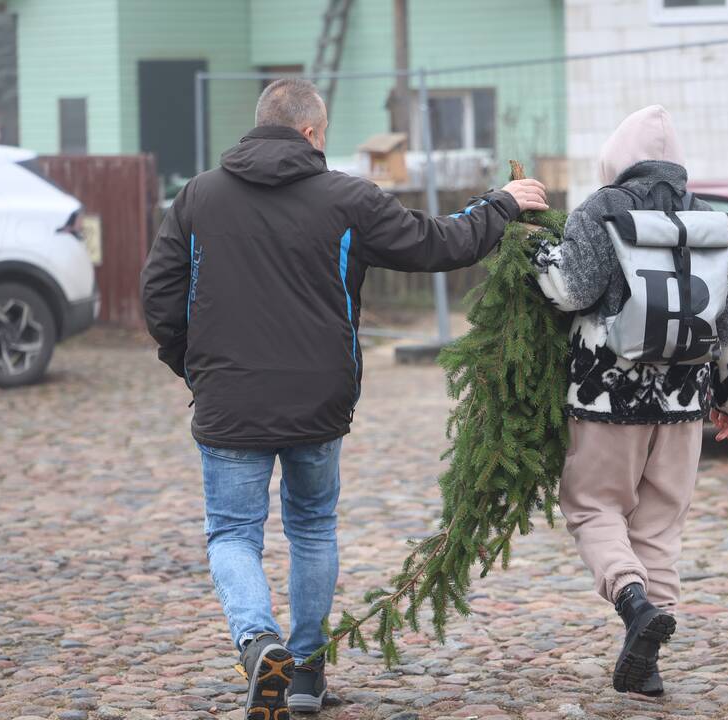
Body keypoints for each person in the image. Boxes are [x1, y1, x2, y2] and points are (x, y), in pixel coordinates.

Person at [140, 78, 547, 718]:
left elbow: (159, 299)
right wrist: (500, 204)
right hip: (319, 400)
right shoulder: (347, 198)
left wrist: (194, 368)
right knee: (310, 528)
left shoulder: (199, 197)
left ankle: (256, 642)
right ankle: (304, 675)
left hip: (228, 399)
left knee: (233, 535)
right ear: (310, 133)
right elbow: (442, 243)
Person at [532, 105, 728, 696]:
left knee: (593, 508)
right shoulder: (708, 219)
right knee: (660, 525)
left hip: (604, 400)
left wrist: (536, 254)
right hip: (684, 405)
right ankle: (648, 665)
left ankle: (633, 605)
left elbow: (568, 290)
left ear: (616, 159)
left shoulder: (603, 209)